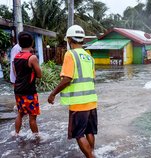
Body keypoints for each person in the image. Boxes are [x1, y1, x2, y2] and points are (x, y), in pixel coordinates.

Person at [47, 25, 98, 158]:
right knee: (90, 131)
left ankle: (90, 156)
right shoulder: (89, 57)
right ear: (82, 39)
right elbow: (92, 78)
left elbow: (67, 79)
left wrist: (53, 93)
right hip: (91, 101)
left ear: (69, 39)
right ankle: (92, 153)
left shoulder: (70, 54)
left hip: (78, 103)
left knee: (78, 134)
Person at [13, 31, 42, 136]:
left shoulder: (16, 57)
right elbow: (39, 75)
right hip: (29, 91)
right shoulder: (32, 57)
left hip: (18, 90)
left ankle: (16, 134)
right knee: (32, 117)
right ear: (32, 43)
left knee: (20, 113)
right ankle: (36, 138)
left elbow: (16, 73)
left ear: (19, 43)